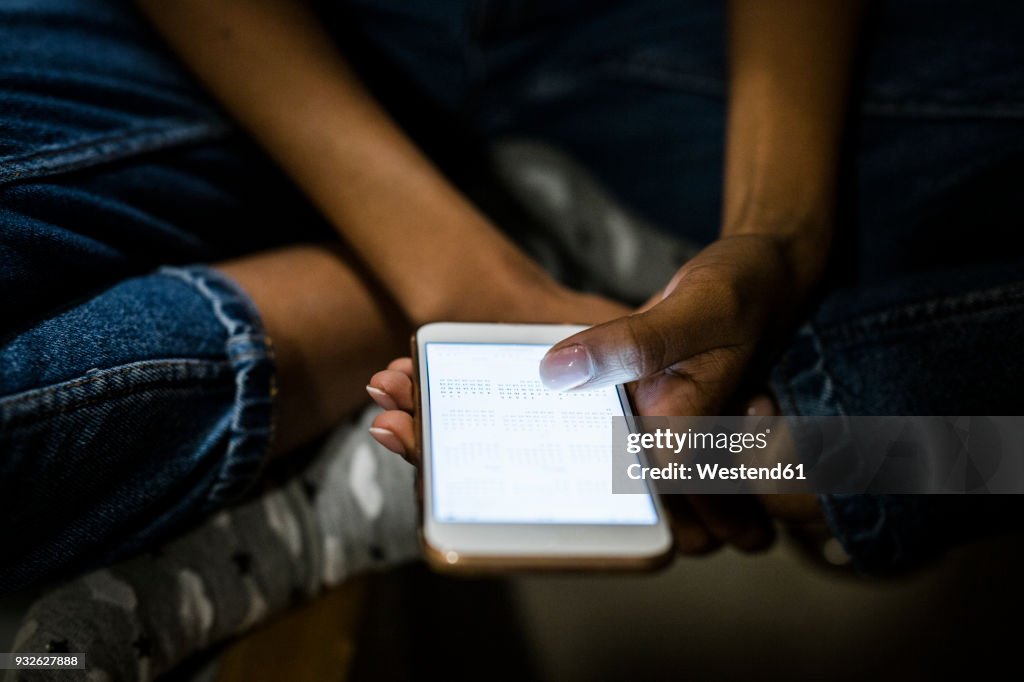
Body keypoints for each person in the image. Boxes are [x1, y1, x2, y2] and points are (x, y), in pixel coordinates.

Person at [2, 0, 1022, 598]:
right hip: (248, 34)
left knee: (874, 436)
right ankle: (345, 325)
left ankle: (785, 444)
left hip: (643, 31)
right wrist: (464, 277)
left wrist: (777, 235)